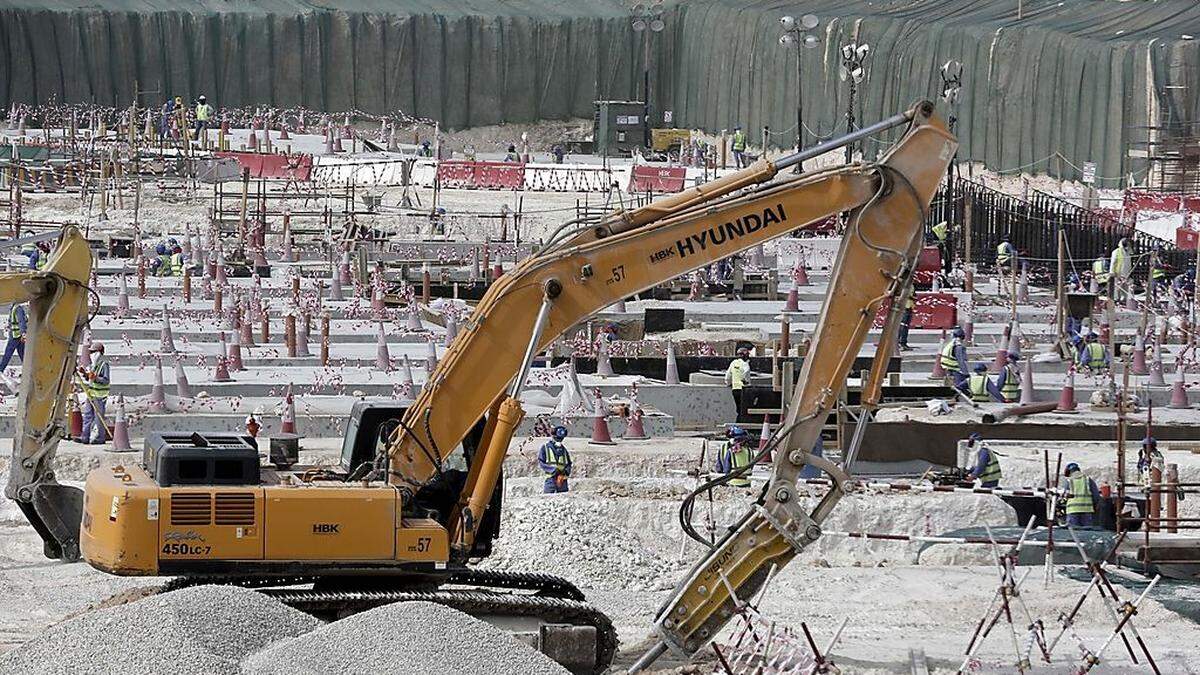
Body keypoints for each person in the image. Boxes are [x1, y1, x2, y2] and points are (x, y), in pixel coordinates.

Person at [76, 342, 110, 444]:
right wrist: (85, 374)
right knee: (87, 416)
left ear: (99, 352)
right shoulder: (93, 365)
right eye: (90, 352)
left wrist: (95, 377)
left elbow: (105, 380)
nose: (91, 354)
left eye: (93, 352)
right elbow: (90, 378)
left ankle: (99, 438)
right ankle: (85, 437)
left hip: (100, 395)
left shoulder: (104, 365)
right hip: (91, 394)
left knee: (98, 417)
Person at [1062, 462, 1102, 528]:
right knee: (1087, 532)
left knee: (1073, 533)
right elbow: (1096, 496)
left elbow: (1065, 496)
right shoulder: (1088, 480)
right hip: (1087, 510)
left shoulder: (1069, 481)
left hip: (1072, 510)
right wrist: (1095, 506)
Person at [537, 425, 573, 493]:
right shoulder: (545, 448)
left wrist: (565, 472)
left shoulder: (564, 450)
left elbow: (569, 463)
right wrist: (552, 470)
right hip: (551, 480)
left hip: (562, 481)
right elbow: (541, 462)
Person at [0, 302, 27, 372]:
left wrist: (23, 333)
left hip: (15, 336)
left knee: (8, 353)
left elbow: (21, 322)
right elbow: (13, 320)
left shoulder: (18, 309)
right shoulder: (14, 308)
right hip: (16, 335)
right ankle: (28, 371)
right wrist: (8, 326)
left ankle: (1, 369)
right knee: (22, 354)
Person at [724, 347, 751, 413]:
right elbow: (746, 372)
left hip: (735, 389)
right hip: (743, 389)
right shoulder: (745, 364)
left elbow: (728, 376)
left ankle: (738, 420)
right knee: (743, 409)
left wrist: (728, 383)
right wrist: (746, 381)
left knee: (738, 408)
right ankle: (741, 421)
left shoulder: (733, 363)